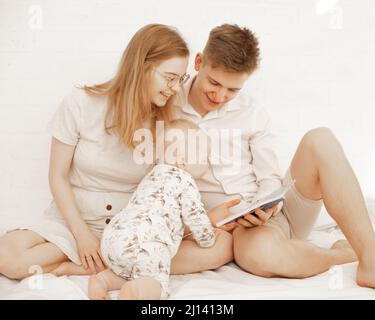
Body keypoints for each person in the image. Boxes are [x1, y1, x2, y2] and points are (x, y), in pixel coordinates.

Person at [0, 24, 236, 280]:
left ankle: (104, 263)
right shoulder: (80, 103)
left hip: (134, 228)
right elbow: (57, 175)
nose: (175, 88)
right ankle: (117, 263)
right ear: (140, 67)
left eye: (180, 79)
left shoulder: (170, 121)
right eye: (169, 77)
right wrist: (82, 236)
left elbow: (172, 189)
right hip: (76, 219)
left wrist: (207, 218)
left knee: (222, 246)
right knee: (9, 258)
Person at [175, 23, 375, 288]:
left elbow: (269, 179)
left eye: (233, 90)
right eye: (214, 82)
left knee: (321, 139)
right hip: (217, 225)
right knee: (259, 254)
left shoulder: (252, 112)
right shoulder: (168, 102)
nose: (220, 95)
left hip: (263, 217)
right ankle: (341, 253)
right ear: (199, 62)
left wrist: (265, 208)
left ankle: (371, 259)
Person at [88, 119, 225, 300]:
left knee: (128, 271)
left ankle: (101, 281)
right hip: (146, 245)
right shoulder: (185, 181)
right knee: (156, 283)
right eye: (205, 158)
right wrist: (208, 239)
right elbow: (196, 216)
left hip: (113, 238)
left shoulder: (151, 176)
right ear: (183, 161)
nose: (207, 164)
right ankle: (135, 293)